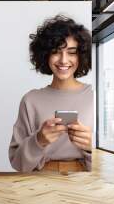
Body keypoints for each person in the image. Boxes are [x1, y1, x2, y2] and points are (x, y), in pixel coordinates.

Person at [9, 15, 93, 173]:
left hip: (86, 182)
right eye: (56, 52)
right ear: (45, 55)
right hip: (40, 185)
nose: (63, 60)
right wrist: (38, 140)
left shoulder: (94, 96)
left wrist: (91, 148)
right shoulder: (31, 100)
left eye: (72, 52)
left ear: (81, 55)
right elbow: (17, 164)